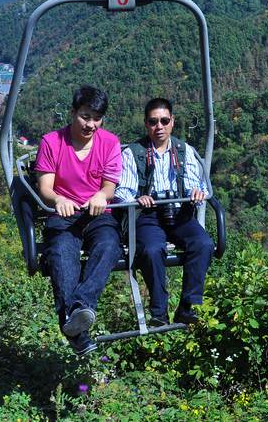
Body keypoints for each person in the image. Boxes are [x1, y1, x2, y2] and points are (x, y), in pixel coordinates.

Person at [34, 85, 123, 356]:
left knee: (109, 245)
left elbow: (109, 188)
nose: (91, 124)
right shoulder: (52, 142)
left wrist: (101, 196)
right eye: (85, 117)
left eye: (96, 119)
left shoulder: (110, 143)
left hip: (96, 215)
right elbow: (45, 187)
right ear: (73, 113)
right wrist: (58, 200)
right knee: (62, 252)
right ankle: (78, 330)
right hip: (64, 215)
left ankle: (76, 310)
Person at [115, 98, 213, 326]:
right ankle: (159, 310)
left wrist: (196, 193)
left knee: (204, 244)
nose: (159, 126)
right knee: (151, 249)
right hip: (147, 215)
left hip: (179, 211)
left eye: (164, 121)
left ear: (172, 122)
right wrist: (137, 199)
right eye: (153, 122)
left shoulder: (183, 151)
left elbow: (196, 183)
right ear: (146, 124)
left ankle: (187, 306)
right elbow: (123, 191)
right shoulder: (134, 153)